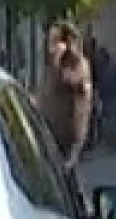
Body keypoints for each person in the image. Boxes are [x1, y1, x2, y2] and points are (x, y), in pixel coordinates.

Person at [38, 21, 94, 169]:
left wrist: (75, 149)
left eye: (55, 40)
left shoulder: (76, 65)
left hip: (65, 138)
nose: (50, 46)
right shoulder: (51, 66)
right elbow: (45, 95)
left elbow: (81, 100)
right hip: (48, 134)